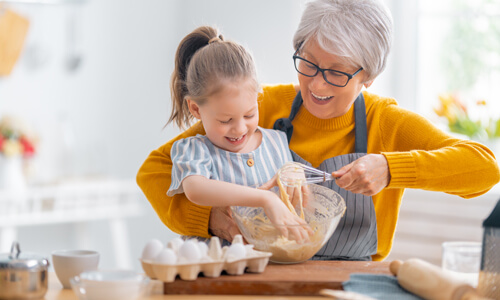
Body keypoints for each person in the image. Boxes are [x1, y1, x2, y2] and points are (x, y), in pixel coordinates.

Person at [137, 0, 500, 261]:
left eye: (337, 72)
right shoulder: (260, 110)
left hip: (351, 285)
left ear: (369, 77)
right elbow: (154, 171)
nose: (316, 84)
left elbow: (485, 167)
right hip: (265, 275)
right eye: (308, 63)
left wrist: (391, 168)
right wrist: (211, 220)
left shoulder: (385, 123)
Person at [164, 25, 309, 242]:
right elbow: (196, 189)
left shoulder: (277, 142)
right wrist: (265, 199)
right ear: (195, 109)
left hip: (269, 267)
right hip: (216, 271)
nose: (240, 129)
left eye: (250, 115)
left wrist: (295, 174)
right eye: (226, 120)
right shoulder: (193, 150)